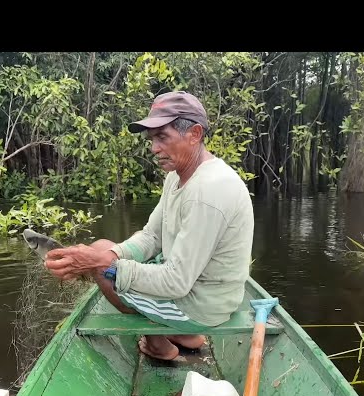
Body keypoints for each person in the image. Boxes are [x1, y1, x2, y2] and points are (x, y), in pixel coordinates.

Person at [45, 91, 254, 361]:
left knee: (107, 270)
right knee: (105, 250)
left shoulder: (210, 190)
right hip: (197, 292)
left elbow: (176, 282)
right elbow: (151, 236)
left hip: (202, 306)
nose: (154, 148)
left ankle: (161, 346)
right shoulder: (178, 176)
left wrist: (101, 266)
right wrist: (107, 257)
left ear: (195, 133)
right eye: (152, 139)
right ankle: (186, 335)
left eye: (163, 137)